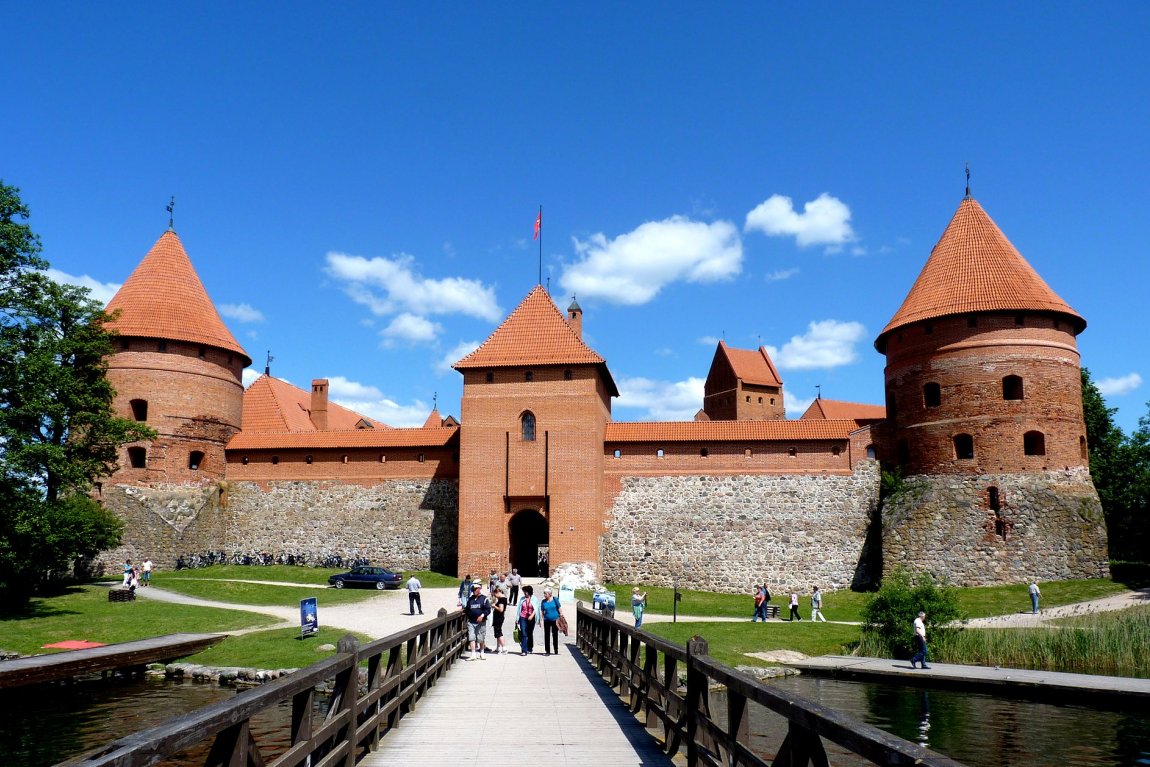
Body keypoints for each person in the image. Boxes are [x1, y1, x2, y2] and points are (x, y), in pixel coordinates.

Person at [464, 579, 491, 659]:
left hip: (481, 622)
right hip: (471, 622)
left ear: (479, 589)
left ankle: (482, 652)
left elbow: (488, 610)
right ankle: (473, 654)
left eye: (475, 589)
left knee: (480, 638)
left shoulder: (484, 599)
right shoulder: (470, 599)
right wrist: (461, 610)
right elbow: (467, 609)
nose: (474, 591)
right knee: (471, 637)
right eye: (473, 590)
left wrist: (482, 616)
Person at [539, 586, 563, 655]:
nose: (544, 595)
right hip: (547, 620)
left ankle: (556, 650)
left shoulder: (555, 599)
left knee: (555, 634)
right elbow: (542, 611)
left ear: (550, 594)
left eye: (545, 593)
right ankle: (547, 651)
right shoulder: (543, 602)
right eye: (544, 593)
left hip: (555, 620)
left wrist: (561, 616)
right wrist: (541, 620)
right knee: (546, 635)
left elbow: (559, 608)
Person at [517, 584, 536, 655]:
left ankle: (530, 648)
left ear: (529, 592)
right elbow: (519, 609)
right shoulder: (522, 599)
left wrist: (532, 615)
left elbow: (536, 609)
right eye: (524, 592)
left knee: (530, 633)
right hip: (523, 617)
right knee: (523, 633)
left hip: (531, 618)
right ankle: (524, 650)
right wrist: (517, 618)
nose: (524, 593)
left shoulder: (534, 599)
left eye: (526, 592)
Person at [492, 586, 508, 654]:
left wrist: (494, 606)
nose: (495, 596)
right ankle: (498, 647)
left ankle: (504, 648)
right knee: (497, 632)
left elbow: (501, 609)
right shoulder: (502, 599)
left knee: (498, 633)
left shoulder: (501, 599)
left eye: (495, 595)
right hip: (498, 617)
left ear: (497, 592)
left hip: (499, 617)